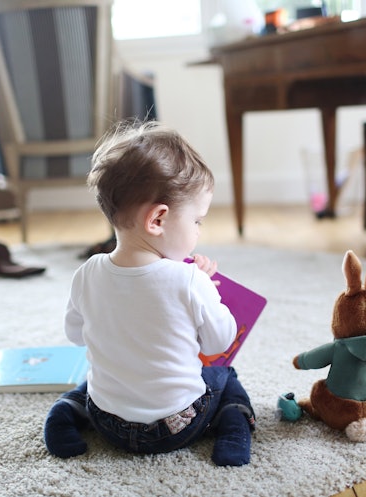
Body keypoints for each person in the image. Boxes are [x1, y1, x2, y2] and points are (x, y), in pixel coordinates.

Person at [43, 121, 255, 466]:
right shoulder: (189, 280)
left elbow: (75, 335)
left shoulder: (87, 273)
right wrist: (207, 293)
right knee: (225, 378)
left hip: (108, 422)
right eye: (197, 221)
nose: (199, 231)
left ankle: (65, 413)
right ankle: (234, 425)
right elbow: (219, 343)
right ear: (157, 220)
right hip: (177, 427)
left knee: (97, 374)